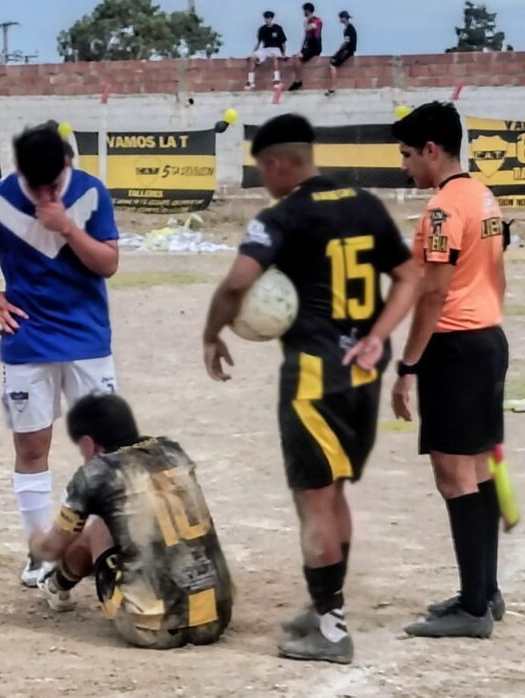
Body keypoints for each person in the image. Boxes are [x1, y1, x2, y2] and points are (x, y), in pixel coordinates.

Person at [202, 114, 418, 664]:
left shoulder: (285, 215)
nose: (262, 179)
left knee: (314, 502)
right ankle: (329, 611)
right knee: (334, 492)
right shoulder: (367, 204)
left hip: (316, 379)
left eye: (261, 169)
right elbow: (411, 276)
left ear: (278, 163)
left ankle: (329, 627)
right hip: (363, 375)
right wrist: (376, 337)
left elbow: (237, 282)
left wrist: (212, 333)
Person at [0, 124, 120, 587]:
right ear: (19, 173)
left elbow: (108, 264)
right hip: (26, 344)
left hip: (88, 343)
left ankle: (105, 546)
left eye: (54, 184)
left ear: (67, 166)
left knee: (105, 453)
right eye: (37, 187)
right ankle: (40, 551)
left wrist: (68, 227)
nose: (46, 194)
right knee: (31, 449)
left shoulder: (91, 193)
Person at [391, 102, 508, 639]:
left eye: (409, 155)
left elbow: (434, 289)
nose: (406, 166)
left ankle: (473, 611)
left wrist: (409, 363)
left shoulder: (440, 210)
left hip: (456, 348)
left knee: (453, 476)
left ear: (432, 150)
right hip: (488, 339)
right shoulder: (483, 195)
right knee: (479, 470)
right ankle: (483, 591)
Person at [29, 394, 233, 649]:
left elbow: (52, 548)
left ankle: (57, 587)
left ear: (88, 443)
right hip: (216, 617)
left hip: (152, 627)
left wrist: (35, 542)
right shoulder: (173, 451)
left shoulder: (96, 474)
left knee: (97, 529)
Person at [245, 11, 288, 90]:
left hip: (276, 48)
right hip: (265, 49)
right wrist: (253, 53)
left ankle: (276, 79)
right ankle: (250, 81)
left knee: (274, 57)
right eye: (266, 18)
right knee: (253, 58)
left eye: (269, 18)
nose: (267, 20)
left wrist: (283, 53)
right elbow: (259, 43)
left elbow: (283, 43)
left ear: (271, 18)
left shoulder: (278, 28)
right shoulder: (262, 29)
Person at [288, 3, 323, 92]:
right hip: (309, 46)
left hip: (316, 47)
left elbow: (308, 28)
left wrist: (306, 21)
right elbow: (306, 36)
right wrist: (301, 49)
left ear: (308, 10)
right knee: (296, 57)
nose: (303, 12)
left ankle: (298, 81)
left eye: (304, 10)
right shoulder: (307, 21)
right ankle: (298, 80)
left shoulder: (317, 20)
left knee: (298, 57)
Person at [326, 11, 357, 96]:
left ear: (344, 18)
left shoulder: (349, 28)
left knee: (332, 64)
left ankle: (333, 87)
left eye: (340, 17)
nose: (339, 19)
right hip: (348, 50)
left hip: (347, 50)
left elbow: (346, 42)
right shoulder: (348, 28)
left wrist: (339, 51)